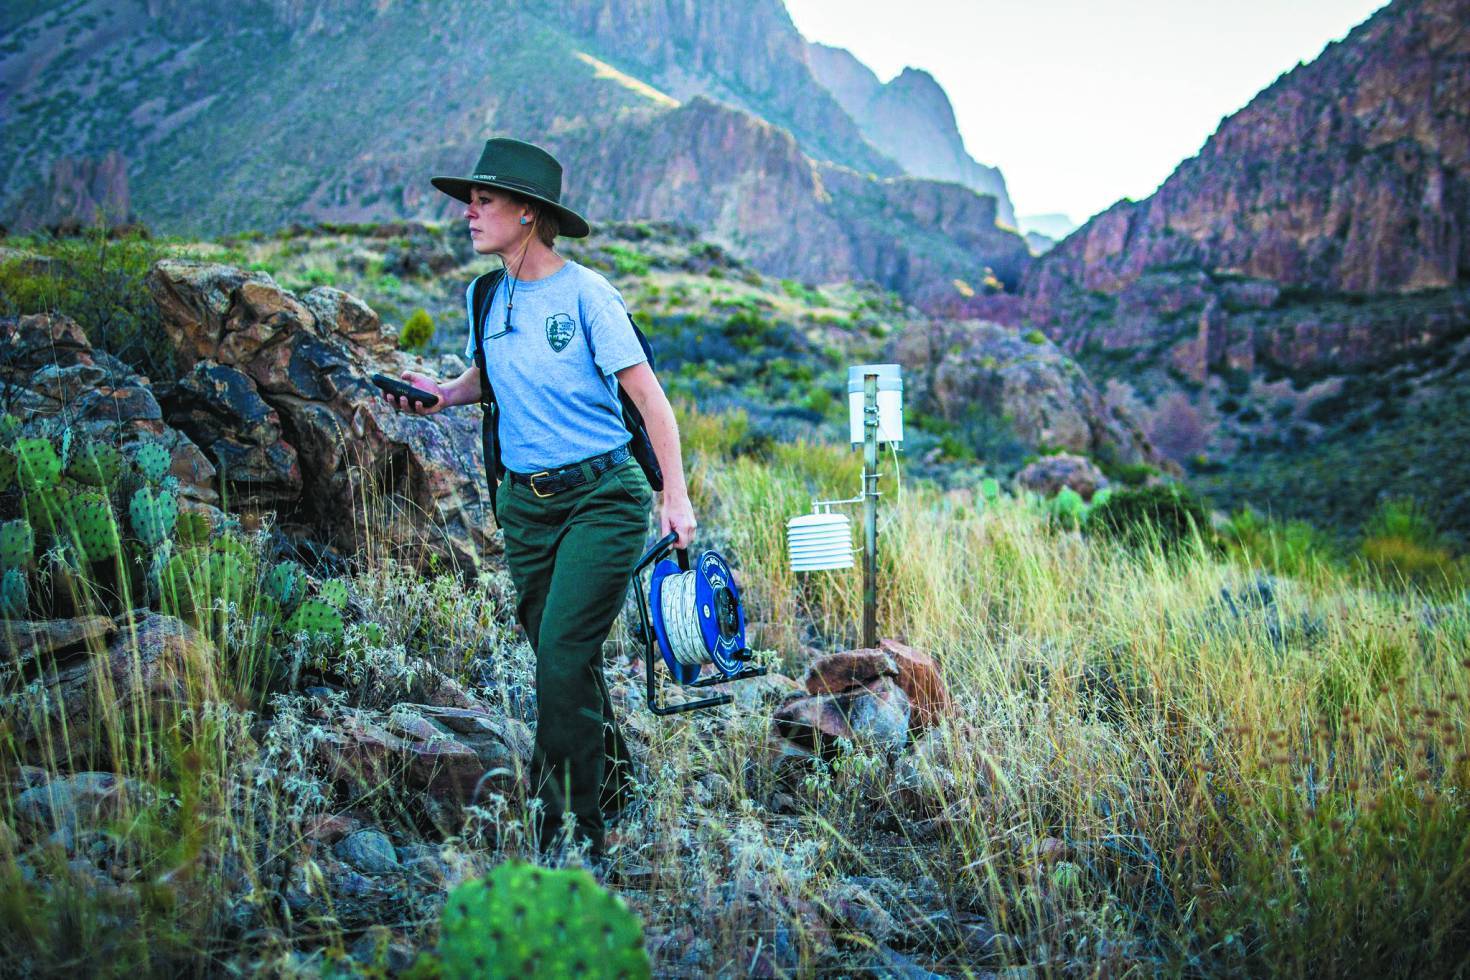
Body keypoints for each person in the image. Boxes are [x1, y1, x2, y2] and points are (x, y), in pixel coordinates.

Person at [380, 137, 697, 854]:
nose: (469, 211)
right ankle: (614, 783)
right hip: (524, 506)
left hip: (601, 499)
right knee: (565, 659)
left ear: (528, 213)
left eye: (484, 200)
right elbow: (489, 376)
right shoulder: (485, 293)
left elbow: (651, 401)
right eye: (471, 199)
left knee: (559, 656)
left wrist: (674, 498)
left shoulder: (587, 295)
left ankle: (567, 831)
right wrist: (443, 394)